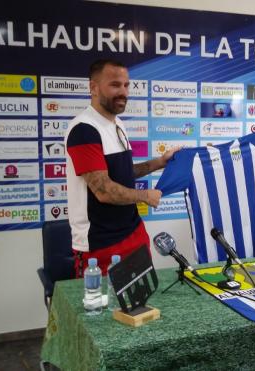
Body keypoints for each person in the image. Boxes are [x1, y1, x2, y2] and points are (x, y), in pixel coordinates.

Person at [64, 59, 177, 277]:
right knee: (105, 309)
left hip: (133, 233)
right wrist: (144, 195)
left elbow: (123, 174)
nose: (123, 92)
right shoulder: (84, 130)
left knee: (142, 306)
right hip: (101, 244)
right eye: (115, 85)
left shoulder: (117, 124)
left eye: (126, 85)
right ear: (93, 88)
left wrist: (159, 162)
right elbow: (104, 190)